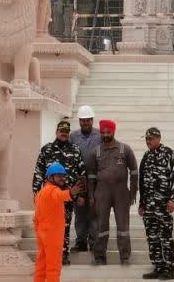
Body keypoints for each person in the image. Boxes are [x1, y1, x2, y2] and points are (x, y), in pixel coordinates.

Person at [32, 119, 86, 266]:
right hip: (49, 198)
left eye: (66, 132)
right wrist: (36, 194)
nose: (64, 134)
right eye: (61, 131)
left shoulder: (75, 149)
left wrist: (81, 195)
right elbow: (38, 172)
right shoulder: (46, 150)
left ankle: (63, 254)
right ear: (56, 132)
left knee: (64, 226)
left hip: (68, 196)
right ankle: (48, 254)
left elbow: (82, 174)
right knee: (49, 227)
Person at [86, 119, 139, 266]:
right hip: (102, 193)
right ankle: (99, 257)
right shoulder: (95, 152)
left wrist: (133, 192)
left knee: (123, 226)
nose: (105, 134)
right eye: (103, 132)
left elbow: (134, 172)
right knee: (101, 226)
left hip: (121, 192)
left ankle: (125, 257)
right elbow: (90, 176)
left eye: (108, 132)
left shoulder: (125, 149)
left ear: (114, 131)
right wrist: (91, 195)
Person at [138, 127, 174, 280]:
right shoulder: (146, 156)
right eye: (146, 139)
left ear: (158, 138)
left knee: (165, 236)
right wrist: (141, 204)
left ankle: (169, 268)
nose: (148, 141)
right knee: (152, 237)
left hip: (163, 205)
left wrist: (172, 199)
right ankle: (158, 266)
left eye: (151, 139)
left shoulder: (169, 154)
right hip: (149, 206)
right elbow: (142, 181)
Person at [34, 162, 84, 282]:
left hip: (43, 234)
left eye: (63, 176)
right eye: (59, 176)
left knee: (41, 266)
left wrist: (39, 231)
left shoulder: (41, 193)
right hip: (52, 235)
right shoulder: (52, 190)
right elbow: (61, 195)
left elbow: (36, 216)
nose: (62, 178)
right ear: (50, 177)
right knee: (53, 267)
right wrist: (71, 193)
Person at [69, 105, 102, 253]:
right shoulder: (73, 136)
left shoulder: (100, 135)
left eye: (88, 120)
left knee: (94, 212)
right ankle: (81, 242)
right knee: (80, 212)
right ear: (79, 121)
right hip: (79, 180)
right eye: (83, 120)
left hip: (96, 180)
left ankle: (94, 242)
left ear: (92, 120)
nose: (86, 123)